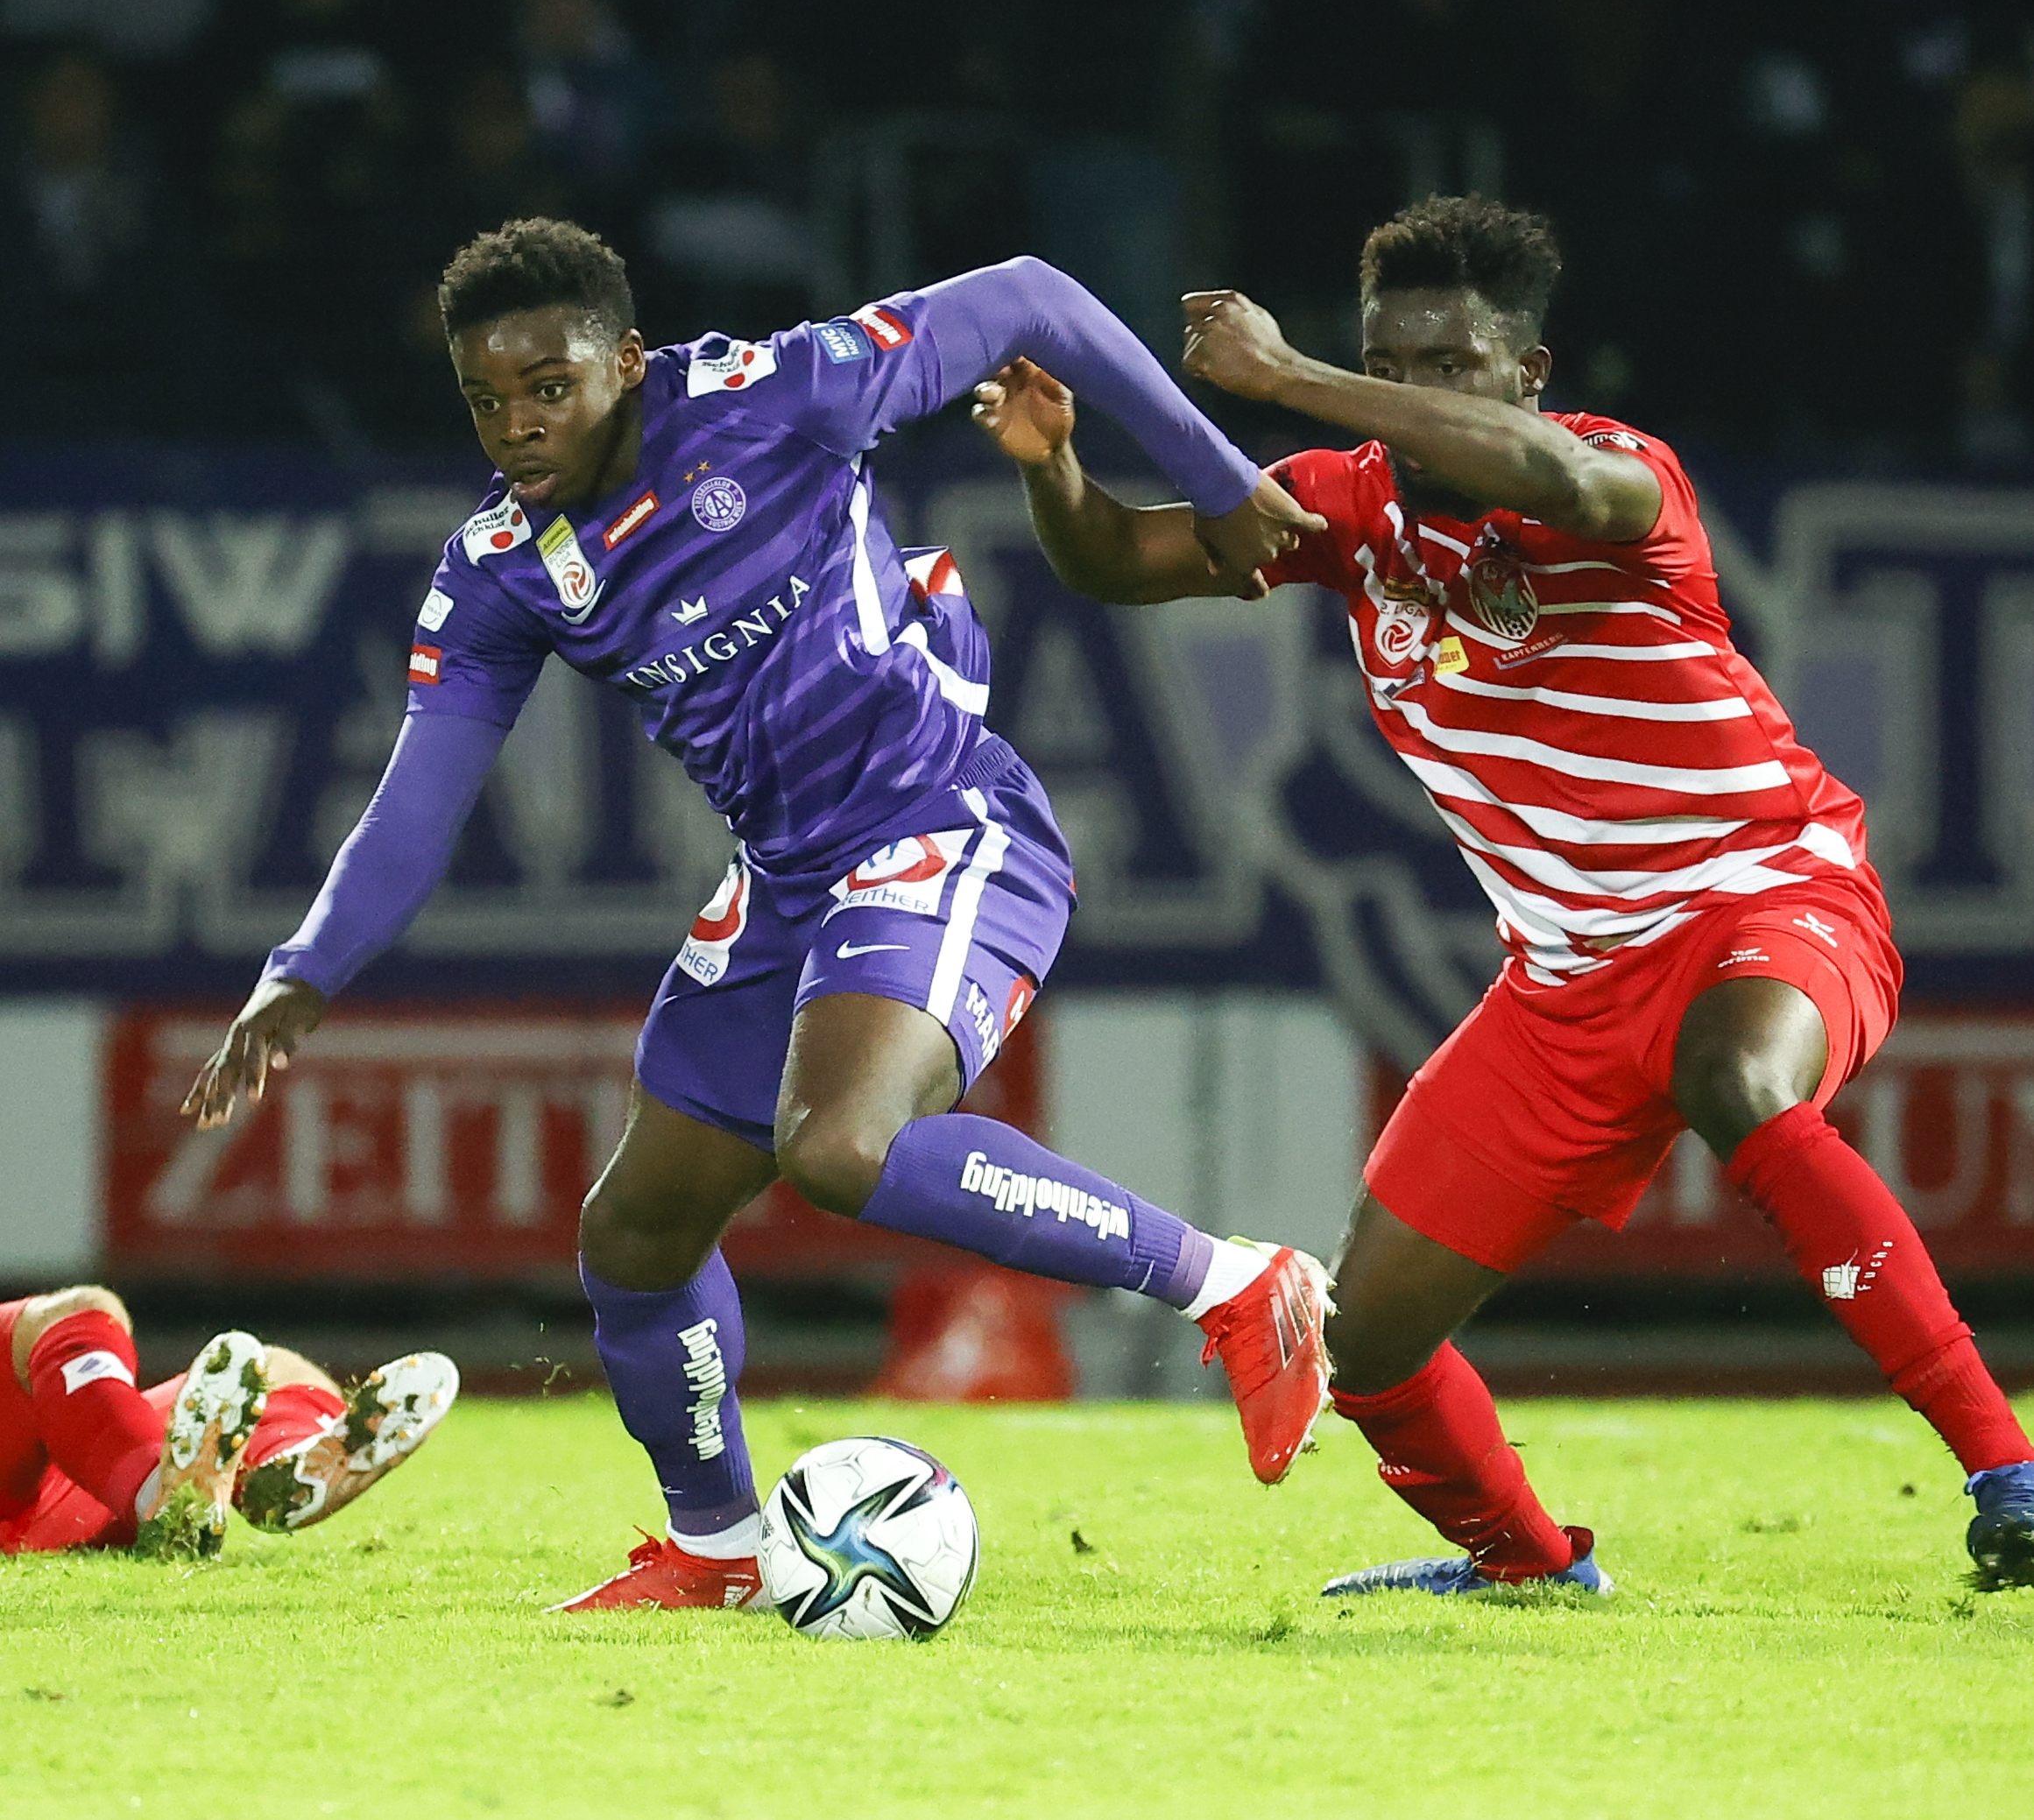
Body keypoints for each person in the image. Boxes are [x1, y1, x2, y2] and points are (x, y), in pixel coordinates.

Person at [182, 218, 1336, 1612]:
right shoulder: (499, 566)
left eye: (549, 387)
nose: (518, 426)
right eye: (486, 400)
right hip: (787, 876)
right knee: (635, 1238)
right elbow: (417, 799)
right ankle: (721, 1547)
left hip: (940, 821)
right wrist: (303, 971)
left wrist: (1220, 480)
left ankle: (1234, 1281)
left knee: (842, 1146)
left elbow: (1031, 298)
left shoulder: (774, 394)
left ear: (625, 358)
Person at [975, 192, 2034, 1596]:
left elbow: (1542, 475)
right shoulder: (1350, 507)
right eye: (1388, 363)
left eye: (1448, 365)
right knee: (1366, 1341)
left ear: (1525, 372)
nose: (1410, 394)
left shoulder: (1615, 472)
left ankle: (2003, 1470)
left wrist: (1293, 376)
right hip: (1562, 986)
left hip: (1766, 896)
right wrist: (1053, 468)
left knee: (1739, 1079)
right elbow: (1124, 557)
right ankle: (1527, 1572)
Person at [1, 1286, 457, 1560]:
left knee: (279, 1371)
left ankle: (278, 1468)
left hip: (69, 1502)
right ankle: (165, 1495)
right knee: (76, 1314)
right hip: (67, 1494)